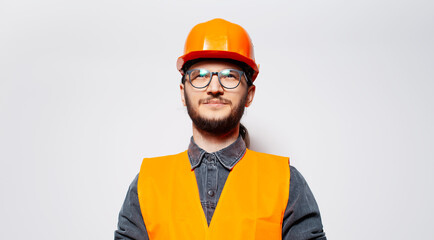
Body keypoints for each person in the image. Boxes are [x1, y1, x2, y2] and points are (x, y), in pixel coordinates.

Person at [115, 18, 326, 240]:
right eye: (200, 76)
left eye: (229, 77)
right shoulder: (147, 185)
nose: (214, 88)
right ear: (182, 93)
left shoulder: (287, 184)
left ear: (249, 95)